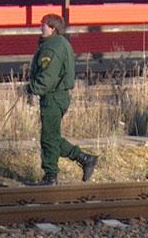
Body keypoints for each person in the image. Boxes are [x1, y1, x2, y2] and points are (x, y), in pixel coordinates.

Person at [24, 14, 98, 185]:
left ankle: (51, 176)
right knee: (52, 137)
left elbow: (48, 76)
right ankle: (85, 158)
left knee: (49, 139)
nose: (41, 27)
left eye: (44, 25)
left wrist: (32, 88)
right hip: (58, 96)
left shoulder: (53, 47)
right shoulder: (59, 43)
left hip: (53, 97)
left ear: (53, 28)